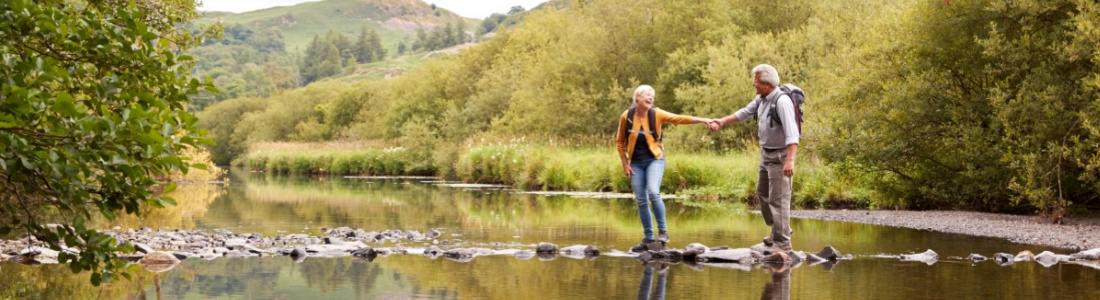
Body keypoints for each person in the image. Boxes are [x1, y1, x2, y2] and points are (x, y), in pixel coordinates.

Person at [708, 64, 800, 253]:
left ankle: (783, 243)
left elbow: (793, 134)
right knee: (763, 192)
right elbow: (744, 113)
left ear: (767, 84)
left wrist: (790, 161)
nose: (753, 84)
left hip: (781, 156)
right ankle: (779, 231)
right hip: (766, 154)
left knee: (778, 199)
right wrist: (722, 121)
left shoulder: (782, 102)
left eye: (756, 82)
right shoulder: (761, 98)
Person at [616, 85, 713, 252]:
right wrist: (625, 164)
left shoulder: (656, 114)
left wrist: (704, 120)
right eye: (647, 95)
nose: (651, 98)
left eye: (652, 95)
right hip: (636, 164)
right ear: (637, 98)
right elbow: (620, 142)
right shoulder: (627, 116)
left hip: (655, 159)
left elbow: (679, 118)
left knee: (653, 192)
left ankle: (663, 232)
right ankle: (648, 238)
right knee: (641, 200)